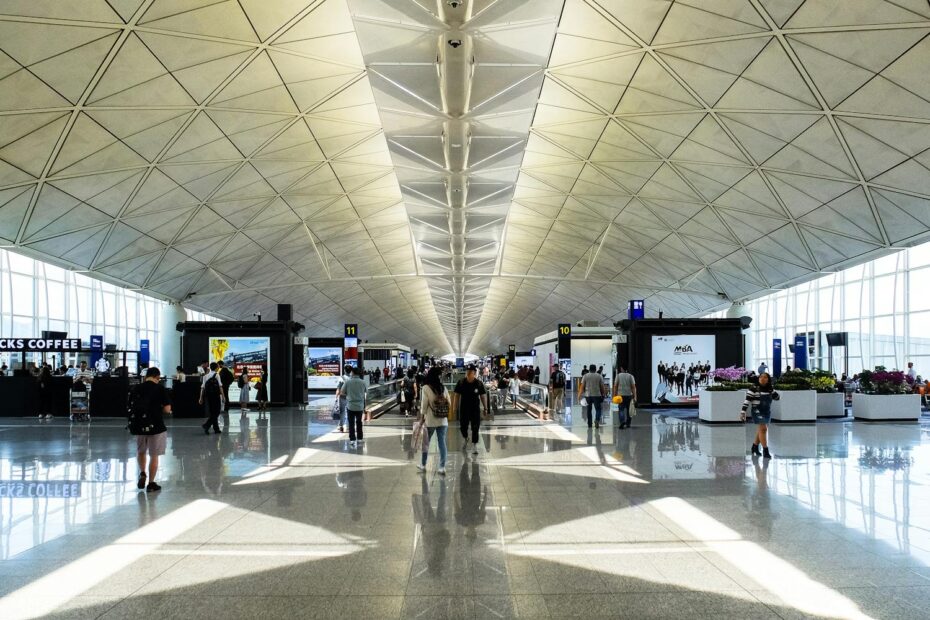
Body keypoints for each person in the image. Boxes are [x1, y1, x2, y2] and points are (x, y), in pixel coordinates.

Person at [131, 367, 171, 492]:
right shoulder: (160, 388)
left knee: (141, 451)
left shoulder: (136, 388)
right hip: (156, 425)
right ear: (157, 377)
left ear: (146, 376)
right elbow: (167, 409)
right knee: (154, 455)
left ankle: (142, 472)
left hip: (139, 425)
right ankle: (151, 483)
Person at [418, 366, 449, 475]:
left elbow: (424, 405)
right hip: (443, 420)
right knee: (442, 443)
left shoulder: (426, 388)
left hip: (430, 420)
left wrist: (422, 418)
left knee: (426, 443)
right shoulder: (443, 388)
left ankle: (423, 465)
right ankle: (442, 467)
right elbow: (449, 402)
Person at [453, 364, 488, 456]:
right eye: (467, 371)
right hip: (464, 409)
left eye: (470, 371)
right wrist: (454, 407)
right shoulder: (461, 382)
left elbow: (483, 396)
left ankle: (474, 445)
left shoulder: (478, 383)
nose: (468, 373)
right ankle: (466, 438)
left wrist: (485, 408)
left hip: (475, 409)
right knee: (463, 427)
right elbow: (456, 395)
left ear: (474, 373)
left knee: (475, 427)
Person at [742, 372, 779, 459]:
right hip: (757, 411)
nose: (762, 378)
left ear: (768, 379)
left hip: (766, 411)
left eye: (765, 377)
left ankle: (754, 446)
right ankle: (766, 450)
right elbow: (747, 400)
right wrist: (743, 411)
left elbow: (777, 398)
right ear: (758, 378)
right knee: (763, 429)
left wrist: (772, 391)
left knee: (761, 430)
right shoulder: (753, 388)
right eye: (761, 377)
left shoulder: (770, 388)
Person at [340, 366, 367, 447]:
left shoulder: (348, 382)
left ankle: (352, 439)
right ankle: (360, 438)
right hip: (360, 406)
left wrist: (348, 394)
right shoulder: (363, 382)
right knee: (359, 422)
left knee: (351, 423)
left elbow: (342, 392)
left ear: (353, 373)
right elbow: (366, 392)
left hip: (350, 405)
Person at [578, 363, 606, 428]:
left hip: (588, 395)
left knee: (589, 410)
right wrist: (603, 394)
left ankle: (589, 424)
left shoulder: (585, 376)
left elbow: (582, 386)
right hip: (597, 395)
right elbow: (602, 387)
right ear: (595, 369)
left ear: (589, 369)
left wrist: (579, 395)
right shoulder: (599, 376)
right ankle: (597, 420)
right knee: (598, 409)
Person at [199, 362, 224, 434]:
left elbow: (202, 388)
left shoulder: (205, 376)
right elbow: (220, 386)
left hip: (208, 396)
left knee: (212, 412)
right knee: (217, 412)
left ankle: (216, 429)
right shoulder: (217, 375)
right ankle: (207, 425)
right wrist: (223, 396)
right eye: (218, 367)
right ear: (216, 368)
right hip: (215, 395)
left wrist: (200, 398)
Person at [335, 365, 351, 432]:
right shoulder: (352, 378)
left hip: (342, 397)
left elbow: (338, 388)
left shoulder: (341, 378)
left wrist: (336, 397)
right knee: (349, 411)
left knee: (342, 411)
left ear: (344, 370)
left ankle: (340, 425)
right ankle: (348, 426)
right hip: (350, 397)